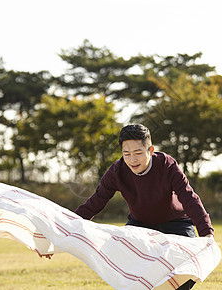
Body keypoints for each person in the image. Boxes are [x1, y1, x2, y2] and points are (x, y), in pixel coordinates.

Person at [75, 124, 214, 290]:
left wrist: (206, 233)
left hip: (176, 223)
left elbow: (189, 198)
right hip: (140, 224)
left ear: (151, 150)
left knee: (188, 260)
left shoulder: (167, 165)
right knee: (120, 254)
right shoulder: (117, 171)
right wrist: (61, 231)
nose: (133, 159)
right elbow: (95, 203)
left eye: (138, 153)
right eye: (127, 154)